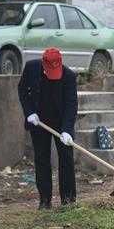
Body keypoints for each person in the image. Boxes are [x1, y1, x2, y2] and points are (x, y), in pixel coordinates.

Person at [18, 48, 78, 210]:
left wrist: (66, 129)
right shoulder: (31, 68)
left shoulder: (69, 76)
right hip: (39, 121)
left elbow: (71, 105)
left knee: (66, 157)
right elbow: (22, 91)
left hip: (60, 121)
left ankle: (68, 199)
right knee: (42, 158)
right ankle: (45, 200)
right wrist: (29, 112)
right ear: (43, 63)